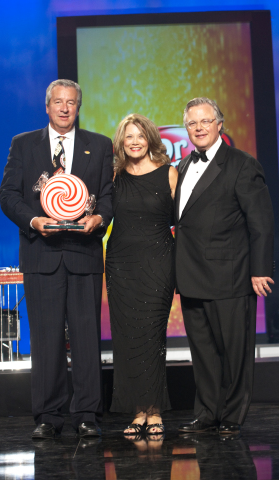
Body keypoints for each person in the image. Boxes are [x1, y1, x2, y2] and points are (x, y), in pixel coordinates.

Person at [0, 79, 113, 439]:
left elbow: (109, 196)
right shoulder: (23, 144)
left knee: (86, 338)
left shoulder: (100, 145)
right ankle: (48, 416)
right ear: (47, 107)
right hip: (41, 254)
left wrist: (99, 220)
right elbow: (8, 195)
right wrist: (34, 221)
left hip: (84, 254)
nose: (65, 108)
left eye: (72, 103)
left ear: (79, 107)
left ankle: (87, 414)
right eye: (58, 102)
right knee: (46, 339)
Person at [175, 97, 274, 435]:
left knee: (234, 352)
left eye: (205, 121)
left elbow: (260, 222)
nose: (199, 128)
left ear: (220, 124)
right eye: (192, 123)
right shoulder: (184, 167)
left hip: (230, 276)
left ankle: (232, 415)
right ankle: (207, 414)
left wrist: (260, 269)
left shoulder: (242, 164)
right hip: (190, 276)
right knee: (202, 353)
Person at [105, 114, 178, 435]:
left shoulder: (170, 174)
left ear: (150, 138)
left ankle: (155, 411)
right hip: (121, 265)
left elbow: (186, 221)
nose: (134, 141)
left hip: (159, 263)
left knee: (151, 336)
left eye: (139, 136)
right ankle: (137, 413)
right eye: (127, 137)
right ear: (121, 142)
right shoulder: (113, 176)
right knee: (127, 338)